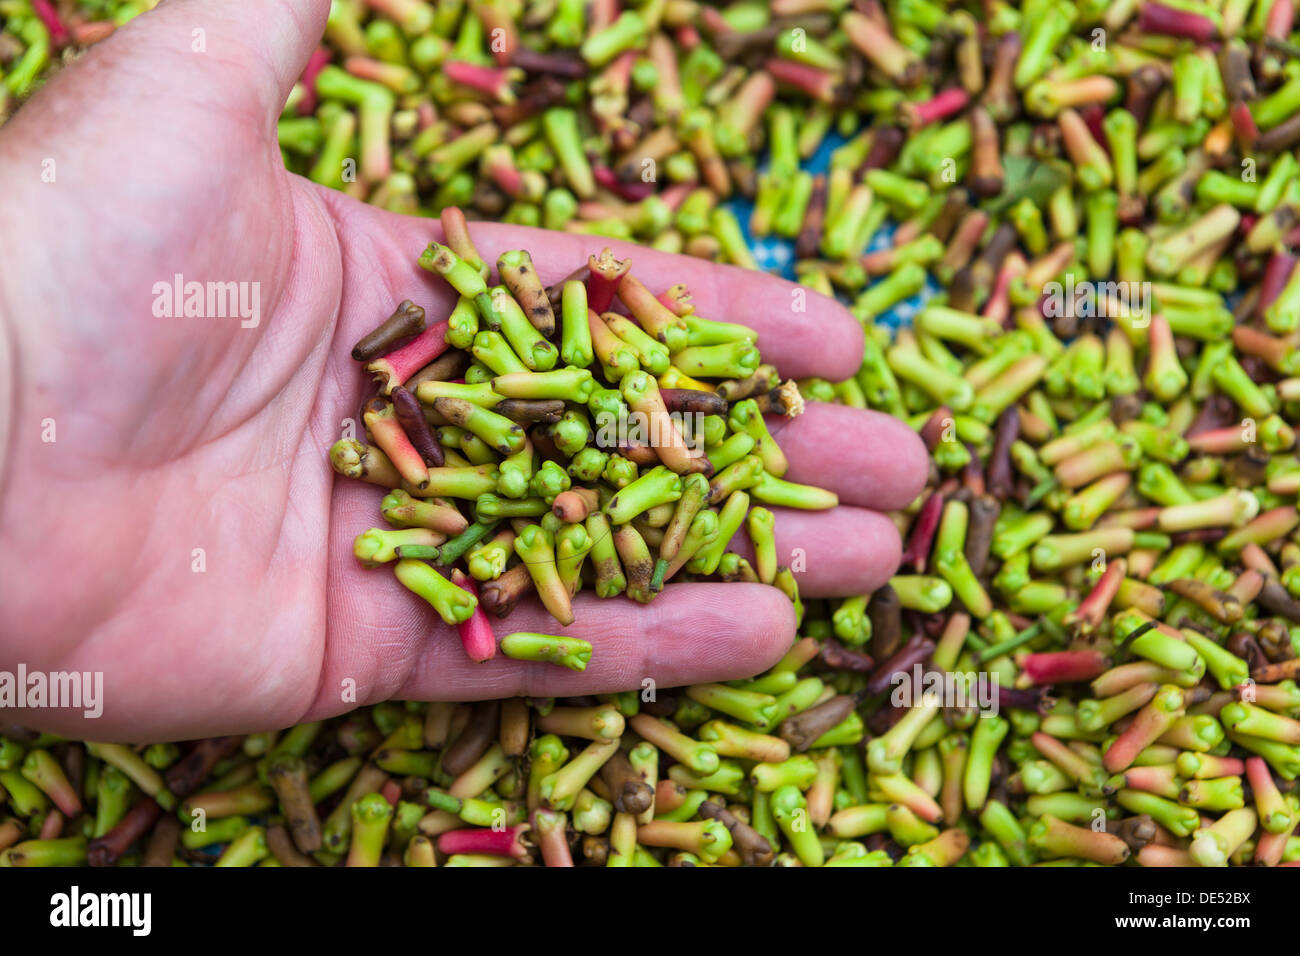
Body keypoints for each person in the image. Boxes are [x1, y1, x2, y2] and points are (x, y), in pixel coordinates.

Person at [0, 0, 927, 741]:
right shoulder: (493, 433)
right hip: (514, 448)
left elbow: (617, 448)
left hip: (546, 444)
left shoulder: (579, 430)